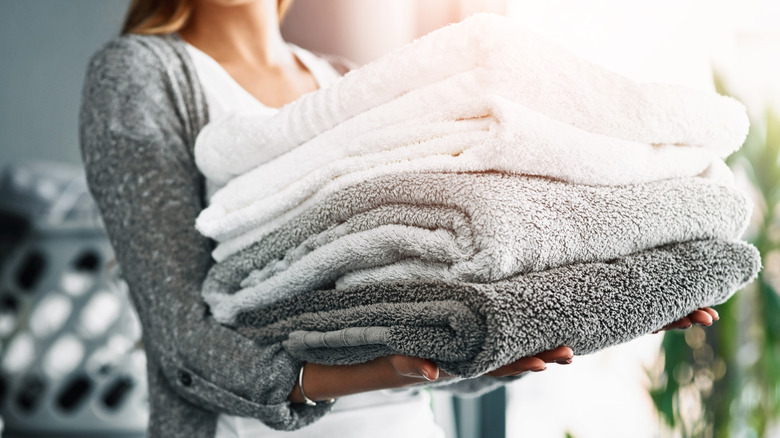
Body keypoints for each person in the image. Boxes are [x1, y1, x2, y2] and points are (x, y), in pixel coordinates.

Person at [78, 0, 720, 437]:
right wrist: (363, 372)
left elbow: (428, 301)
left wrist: (494, 341)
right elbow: (180, 339)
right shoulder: (140, 72)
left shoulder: (348, 88)